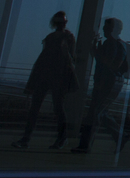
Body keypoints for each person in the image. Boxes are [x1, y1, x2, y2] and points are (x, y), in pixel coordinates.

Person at [12, 11, 80, 150]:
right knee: (37, 108)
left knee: (56, 108)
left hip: (57, 76)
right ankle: (27, 138)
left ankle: (60, 138)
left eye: (63, 22)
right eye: (61, 22)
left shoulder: (67, 37)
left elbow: (71, 58)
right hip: (47, 75)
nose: (62, 24)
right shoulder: (53, 37)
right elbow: (45, 58)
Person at [72, 18, 130, 154]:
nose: (104, 30)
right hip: (112, 82)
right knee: (100, 112)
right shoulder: (119, 45)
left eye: (107, 28)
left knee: (95, 113)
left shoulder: (112, 44)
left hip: (108, 82)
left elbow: (110, 64)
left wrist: (96, 51)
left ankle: (86, 144)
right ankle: (120, 136)